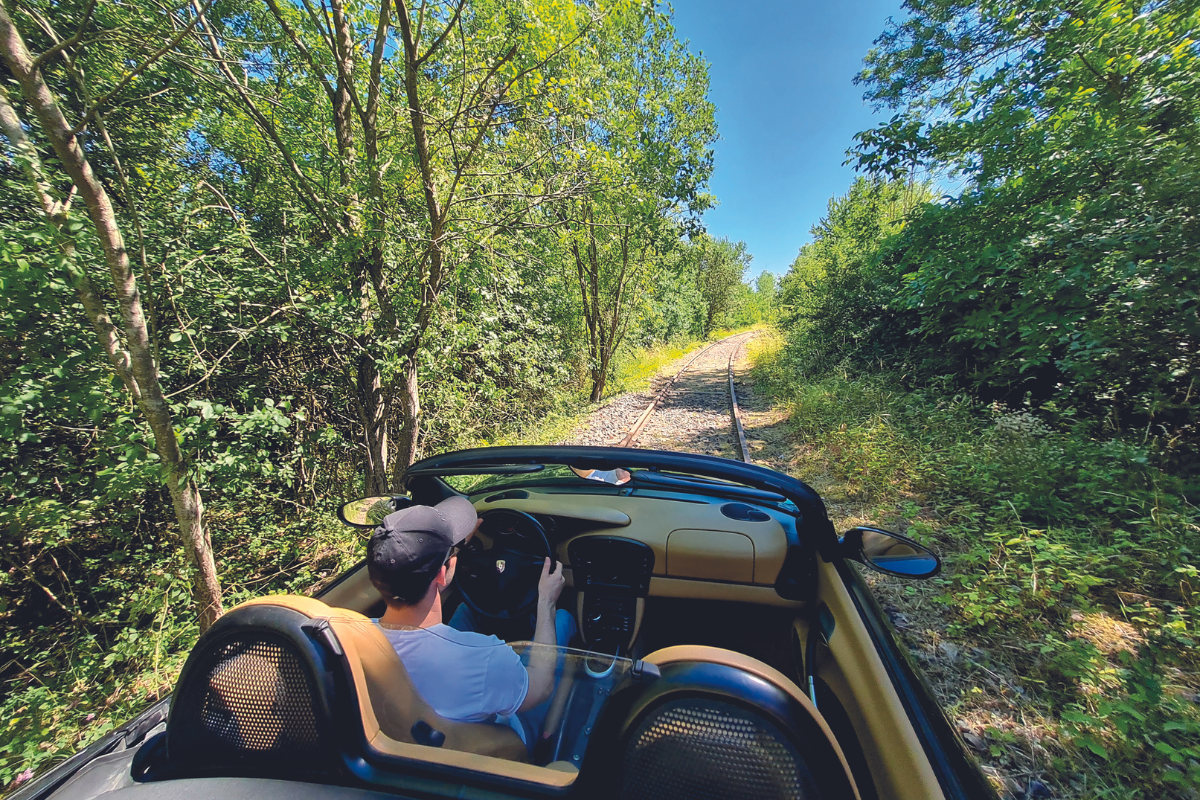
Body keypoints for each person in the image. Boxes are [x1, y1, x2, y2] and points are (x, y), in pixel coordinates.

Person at [366, 496, 575, 746]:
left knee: (468, 609)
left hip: (411, 742)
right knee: (561, 619)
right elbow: (542, 686)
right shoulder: (484, 657)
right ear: (443, 574)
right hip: (494, 745)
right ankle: (548, 739)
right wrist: (546, 602)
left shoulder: (355, 642)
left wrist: (460, 548)